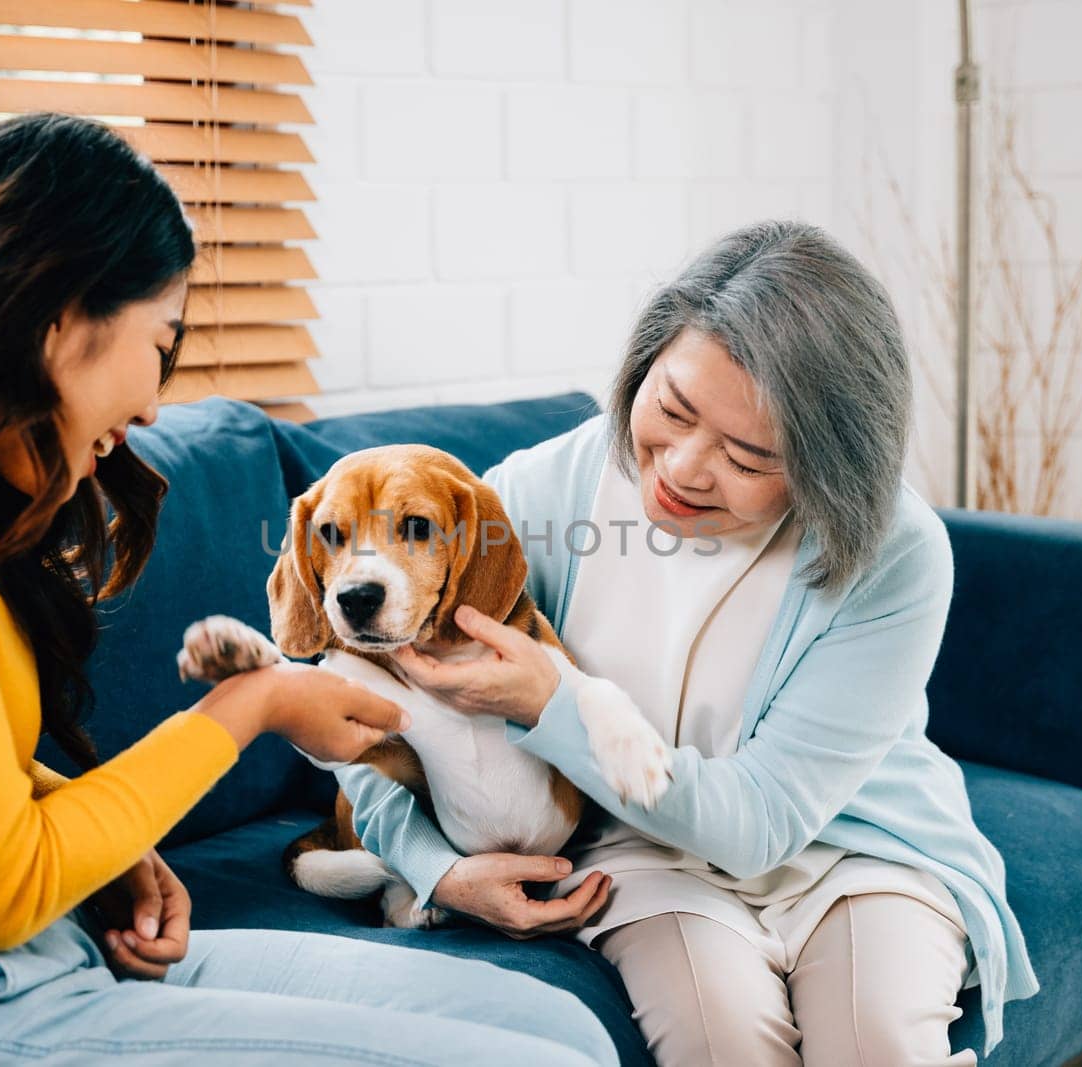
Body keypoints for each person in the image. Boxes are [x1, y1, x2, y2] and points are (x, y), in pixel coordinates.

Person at [0, 112, 618, 1067]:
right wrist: (256, 701)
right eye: (159, 339)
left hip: (41, 959)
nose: (152, 405)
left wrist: (107, 849)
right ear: (61, 317)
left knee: (553, 1028)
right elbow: (1, 886)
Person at [337, 221, 1039, 1065]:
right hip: (642, 853)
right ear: (647, 359)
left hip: (862, 847)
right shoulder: (535, 497)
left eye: (749, 455)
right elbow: (360, 706)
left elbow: (765, 820)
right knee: (722, 1039)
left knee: (877, 1041)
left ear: (829, 467)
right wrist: (436, 870)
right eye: (671, 409)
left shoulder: (895, 550)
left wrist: (551, 704)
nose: (685, 469)